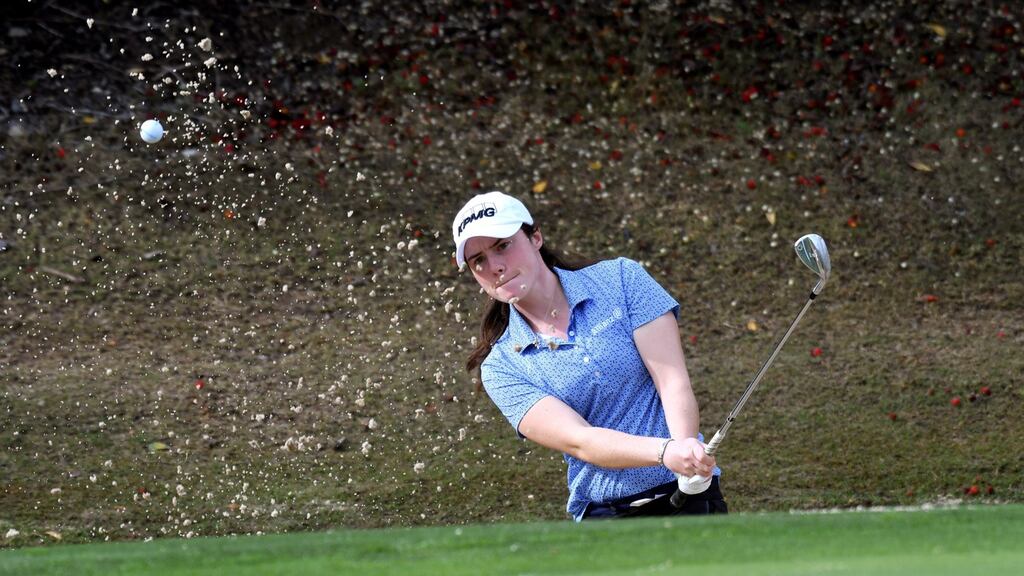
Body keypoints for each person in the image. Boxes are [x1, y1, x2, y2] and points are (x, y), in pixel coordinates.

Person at [452, 191, 726, 521]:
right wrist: (667, 452)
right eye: (478, 260)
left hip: (688, 492)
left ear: (535, 237)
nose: (495, 266)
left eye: (503, 245)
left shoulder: (621, 280)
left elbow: (672, 381)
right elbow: (581, 440)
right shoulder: (502, 367)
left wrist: (687, 455)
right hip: (607, 514)